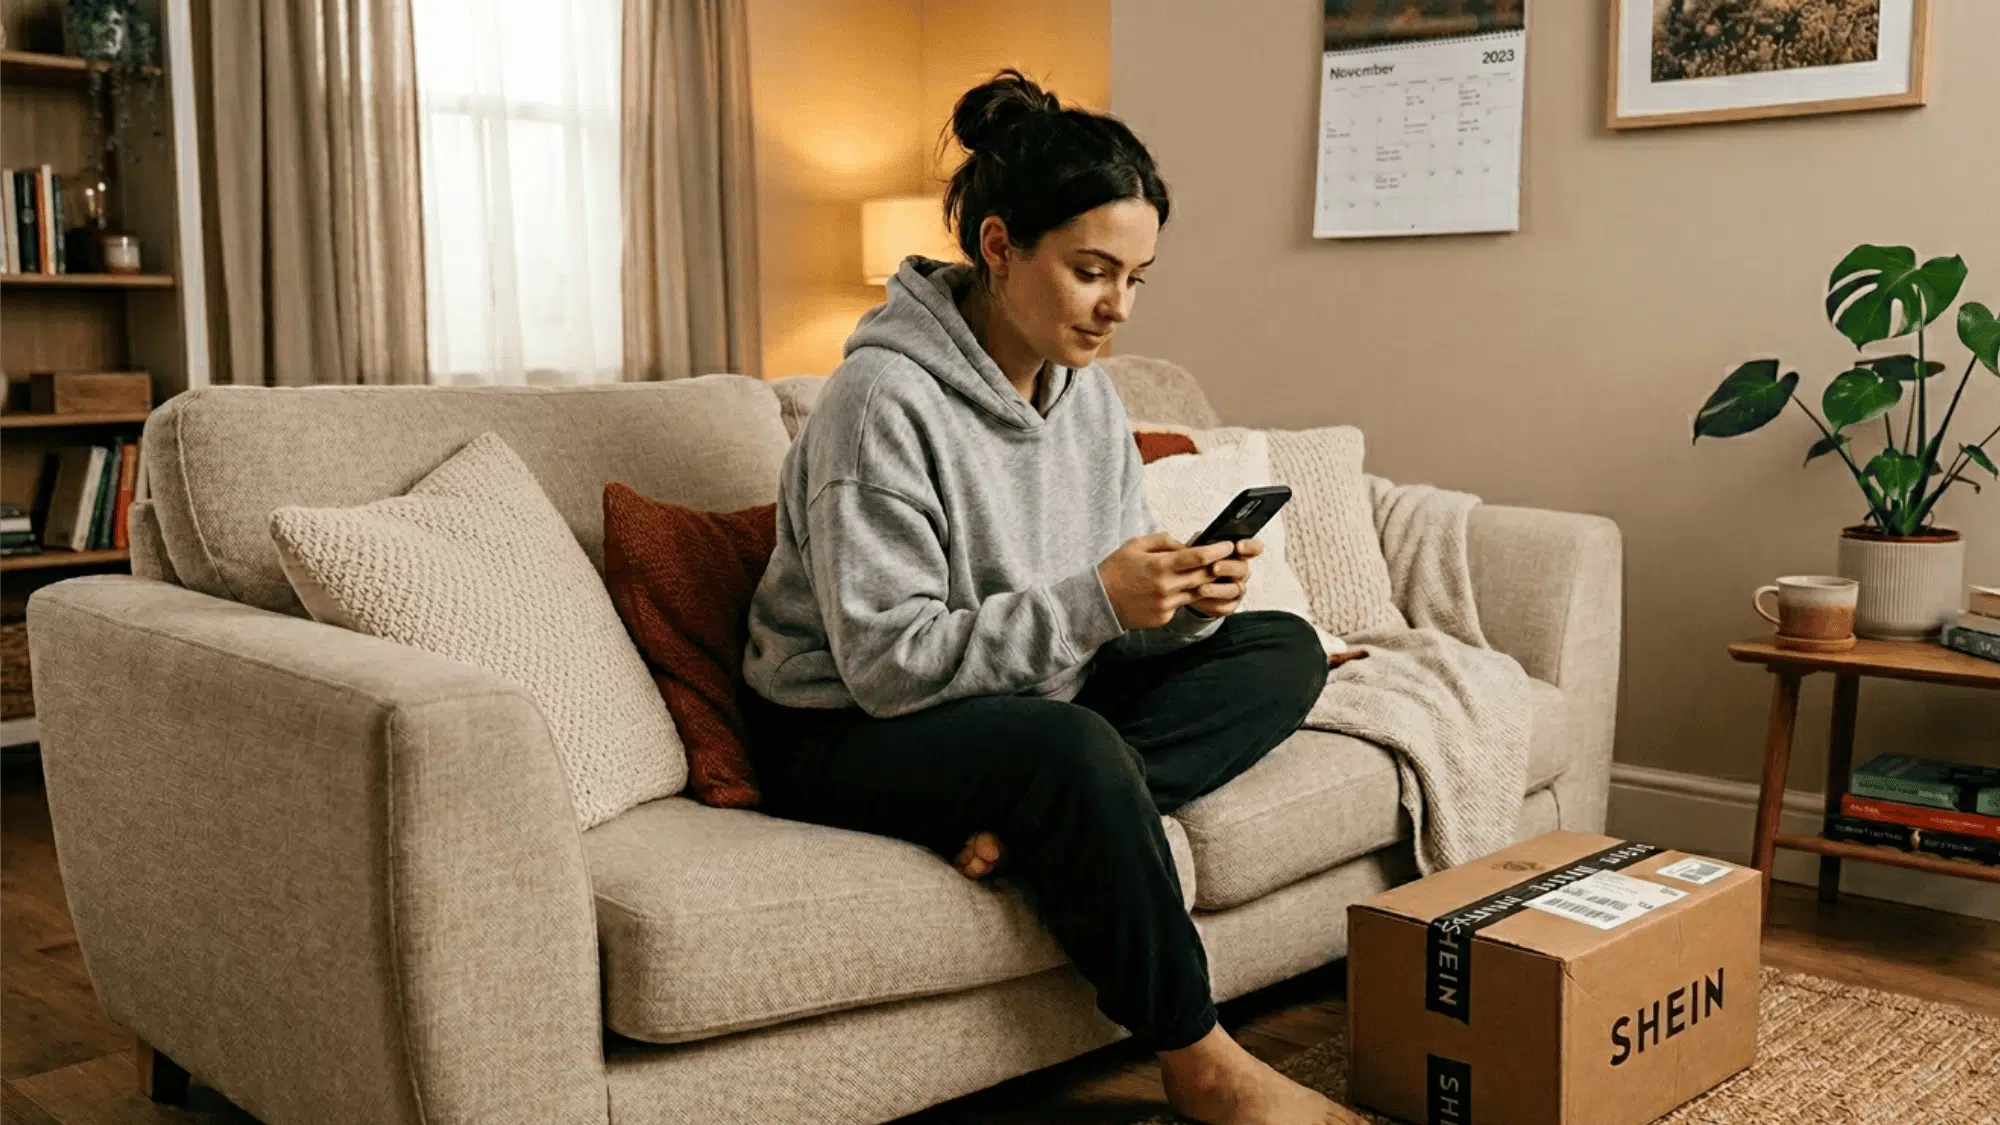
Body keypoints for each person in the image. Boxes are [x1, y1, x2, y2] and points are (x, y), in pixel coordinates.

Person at [741, 69, 1356, 1125]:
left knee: (1283, 649)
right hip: (845, 726)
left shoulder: (1088, 401)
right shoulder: (880, 403)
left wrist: (1183, 602)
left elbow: (1104, 612)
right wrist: (1098, 604)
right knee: (1072, 750)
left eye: (1136, 278)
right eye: (1090, 271)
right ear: (998, 246)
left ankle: (1029, 825)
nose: (1118, 306)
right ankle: (1200, 1056)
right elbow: (886, 667)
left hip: (1024, 700)